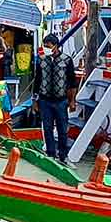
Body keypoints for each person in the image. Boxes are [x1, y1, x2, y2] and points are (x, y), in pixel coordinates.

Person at [32, 34, 77, 166]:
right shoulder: (42, 61)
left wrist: (72, 100)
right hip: (45, 100)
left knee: (63, 129)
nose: (45, 48)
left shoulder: (66, 60)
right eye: (44, 45)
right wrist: (34, 101)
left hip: (61, 100)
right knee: (47, 128)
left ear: (56, 46)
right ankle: (51, 154)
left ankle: (63, 156)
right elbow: (37, 81)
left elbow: (72, 82)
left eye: (48, 46)